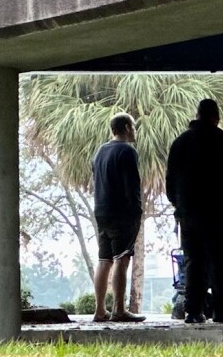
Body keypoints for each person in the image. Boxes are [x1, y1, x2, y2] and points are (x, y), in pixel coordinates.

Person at [166, 99, 223, 324]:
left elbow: (170, 181)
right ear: (215, 116)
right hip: (217, 212)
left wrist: (179, 207)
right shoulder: (218, 141)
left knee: (194, 260)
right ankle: (222, 310)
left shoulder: (180, 142)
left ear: (197, 114)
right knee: (221, 260)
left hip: (189, 213)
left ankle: (194, 311)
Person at [91, 112, 146, 323]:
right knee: (121, 260)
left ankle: (99, 310)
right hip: (122, 214)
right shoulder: (127, 152)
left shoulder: (100, 151)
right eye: (133, 126)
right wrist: (137, 212)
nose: (135, 130)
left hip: (102, 212)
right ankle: (120, 310)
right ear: (126, 127)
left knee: (104, 261)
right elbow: (131, 186)